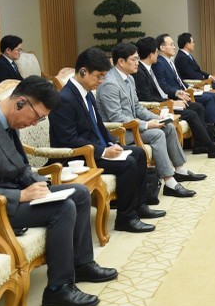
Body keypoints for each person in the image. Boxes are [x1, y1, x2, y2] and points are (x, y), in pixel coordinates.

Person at [0, 76, 117, 306]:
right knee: (62, 208)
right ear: (20, 103)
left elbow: (21, 168)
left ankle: (81, 264)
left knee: (78, 194)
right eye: (37, 117)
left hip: (10, 194)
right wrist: (22, 196)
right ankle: (58, 289)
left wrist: (42, 185)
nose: (36, 124)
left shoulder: (6, 122)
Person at [49, 47, 164, 234]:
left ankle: (139, 205)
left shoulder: (86, 92)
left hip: (96, 148)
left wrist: (112, 143)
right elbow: (67, 139)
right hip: (78, 156)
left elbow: (99, 125)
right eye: (98, 76)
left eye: (103, 76)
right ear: (83, 71)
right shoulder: (65, 99)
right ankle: (126, 218)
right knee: (128, 164)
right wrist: (103, 151)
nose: (101, 81)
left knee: (139, 153)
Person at [97, 43, 205, 198]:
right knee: (156, 134)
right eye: (134, 59)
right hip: (118, 132)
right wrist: (147, 125)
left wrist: (158, 118)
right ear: (121, 62)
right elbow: (116, 117)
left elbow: (137, 107)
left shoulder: (129, 79)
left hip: (133, 126)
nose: (137, 62)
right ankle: (169, 182)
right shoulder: (110, 84)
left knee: (167, 127)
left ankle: (179, 170)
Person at [134, 37, 215, 159]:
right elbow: (147, 97)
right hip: (157, 108)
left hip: (165, 102)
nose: (157, 55)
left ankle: (200, 144)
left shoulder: (148, 68)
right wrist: (171, 102)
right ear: (151, 54)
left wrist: (176, 97)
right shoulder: (141, 72)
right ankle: (212, 148)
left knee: (197, 106)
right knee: (191, 113)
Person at [152, 34, 215, 138]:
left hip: (185, 91)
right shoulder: (159, 63)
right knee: (209, 98)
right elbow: (163, 86)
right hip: (178, 96)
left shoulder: (169, 61)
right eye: (171, 45)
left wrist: (189, 87)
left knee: (211, 95)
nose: (174, 47)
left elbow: (179, 79)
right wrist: (178, 92)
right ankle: (213, 131)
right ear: (162, 48)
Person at [175, 32, 215, 125]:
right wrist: (207, 79)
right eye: (192, 42)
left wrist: (210, 76)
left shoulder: (187, 55)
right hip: (198, 84)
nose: (194, 44)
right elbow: (191, 74)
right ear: (187, 44)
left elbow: (198, 70)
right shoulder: (181, 58)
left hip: (203, 81)